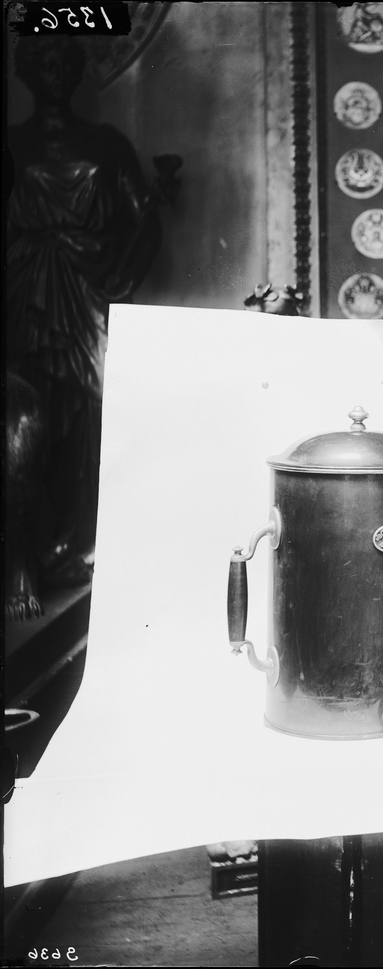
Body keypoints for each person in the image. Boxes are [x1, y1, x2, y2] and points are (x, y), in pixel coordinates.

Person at [6, 36, 163, 584]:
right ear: (26, 72)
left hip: (90, 289)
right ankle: (30, 545)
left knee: (92, 410)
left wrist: (124, 277)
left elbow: (146, 221)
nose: (56, 73)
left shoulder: (106, 144)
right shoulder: (12, 144)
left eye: (65, 64)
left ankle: (82, 540)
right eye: (45, 64)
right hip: (26, 289)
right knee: (28, 412)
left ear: (78, 72)